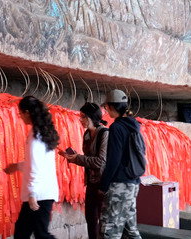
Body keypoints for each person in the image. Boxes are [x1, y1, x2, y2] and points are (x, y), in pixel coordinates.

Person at [4, 96, 60, 239]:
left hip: (39, 194)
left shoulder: (36, 137)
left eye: (20, 113)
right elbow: (35, 163)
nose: (20, 117)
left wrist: (32, 194)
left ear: (27, 112)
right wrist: (17, 166)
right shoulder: (40, 133)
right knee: (23, 233)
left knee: (41, 234)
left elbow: (36, 166)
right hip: (41, 192)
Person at [99, 89, 144, 239]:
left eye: (106, 107)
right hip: (133, 184)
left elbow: (113, 160)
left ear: (111, 107)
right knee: (130, 230)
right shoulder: (135, 125)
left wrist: (103, 185)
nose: (106, 111)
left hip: (120, 185)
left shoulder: (117, 127)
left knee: (110, 231)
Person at [60, 102, 109, 239]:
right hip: (91, 182)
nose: (80, 120)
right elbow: (87, 158)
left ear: (92, 117)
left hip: (103, 184)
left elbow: (100, 161)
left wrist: (77, 158)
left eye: (83, 117)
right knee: (90, 219)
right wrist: (72, 157)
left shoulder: (105, 133)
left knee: (103, 221)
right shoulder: (87, 134)